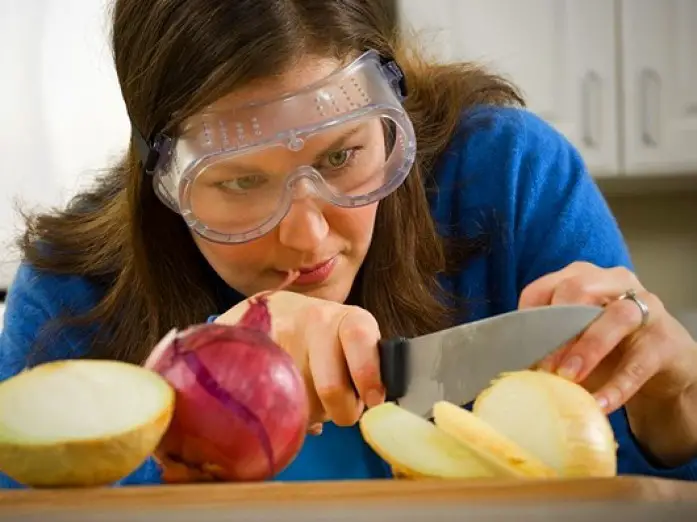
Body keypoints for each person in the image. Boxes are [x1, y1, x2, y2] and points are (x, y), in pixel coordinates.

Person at [1, 0, 697, 488]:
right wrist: (194, 400)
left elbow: (622, 493)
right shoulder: (70, 293)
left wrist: (675, 419)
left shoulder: (509, 180)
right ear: (161, 183)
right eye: (241, 182)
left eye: (341, 158)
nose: (307, 237)